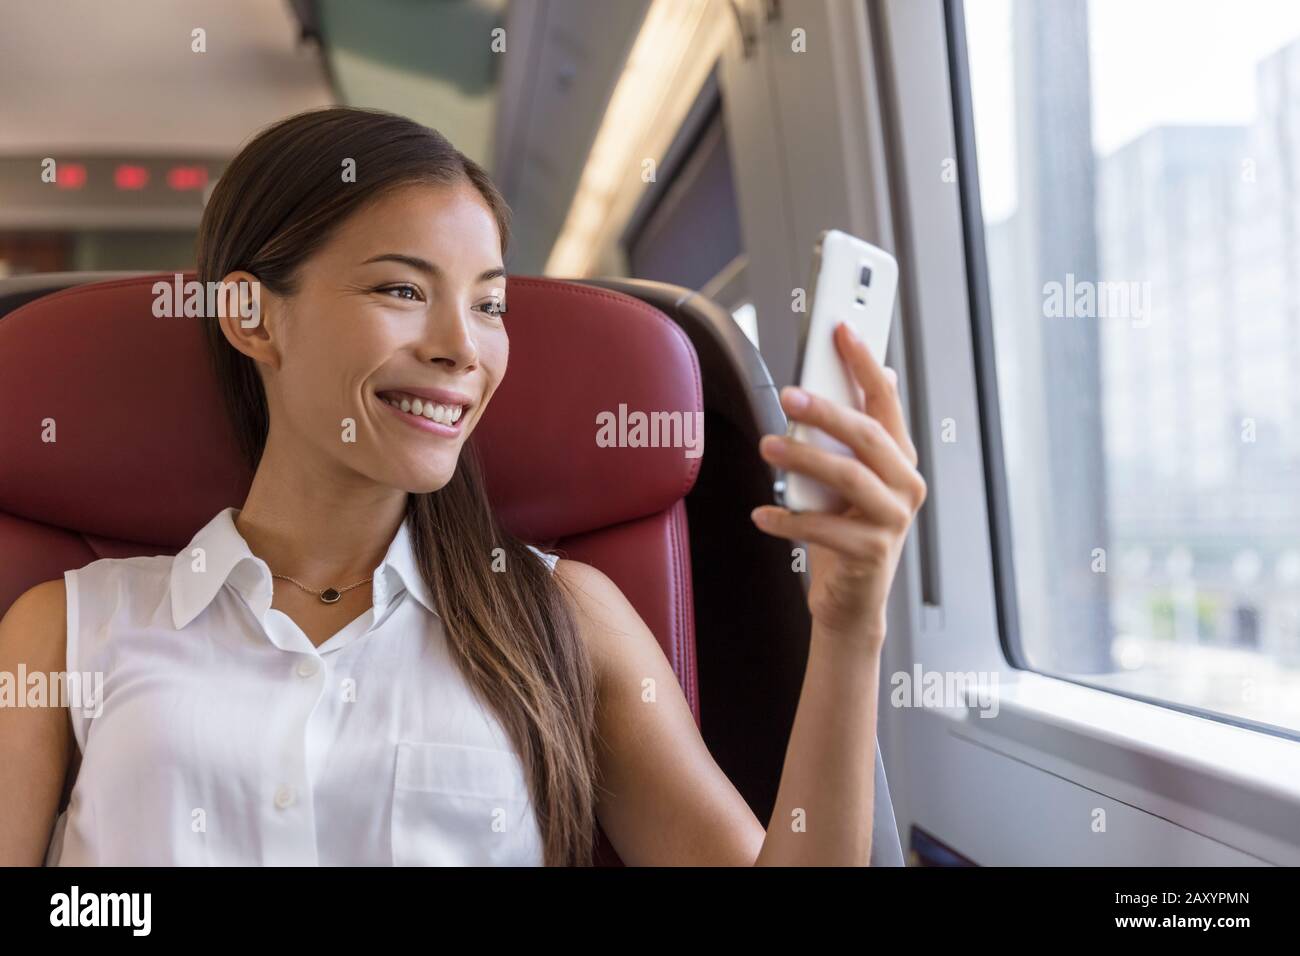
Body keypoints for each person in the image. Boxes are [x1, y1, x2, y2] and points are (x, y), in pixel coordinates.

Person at [0, 106, 926, 866]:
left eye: (488, 304)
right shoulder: (64, 630)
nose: (462, 348)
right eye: (402, 290)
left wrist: (848, 628)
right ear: (250, 315)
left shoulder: (562, 618)